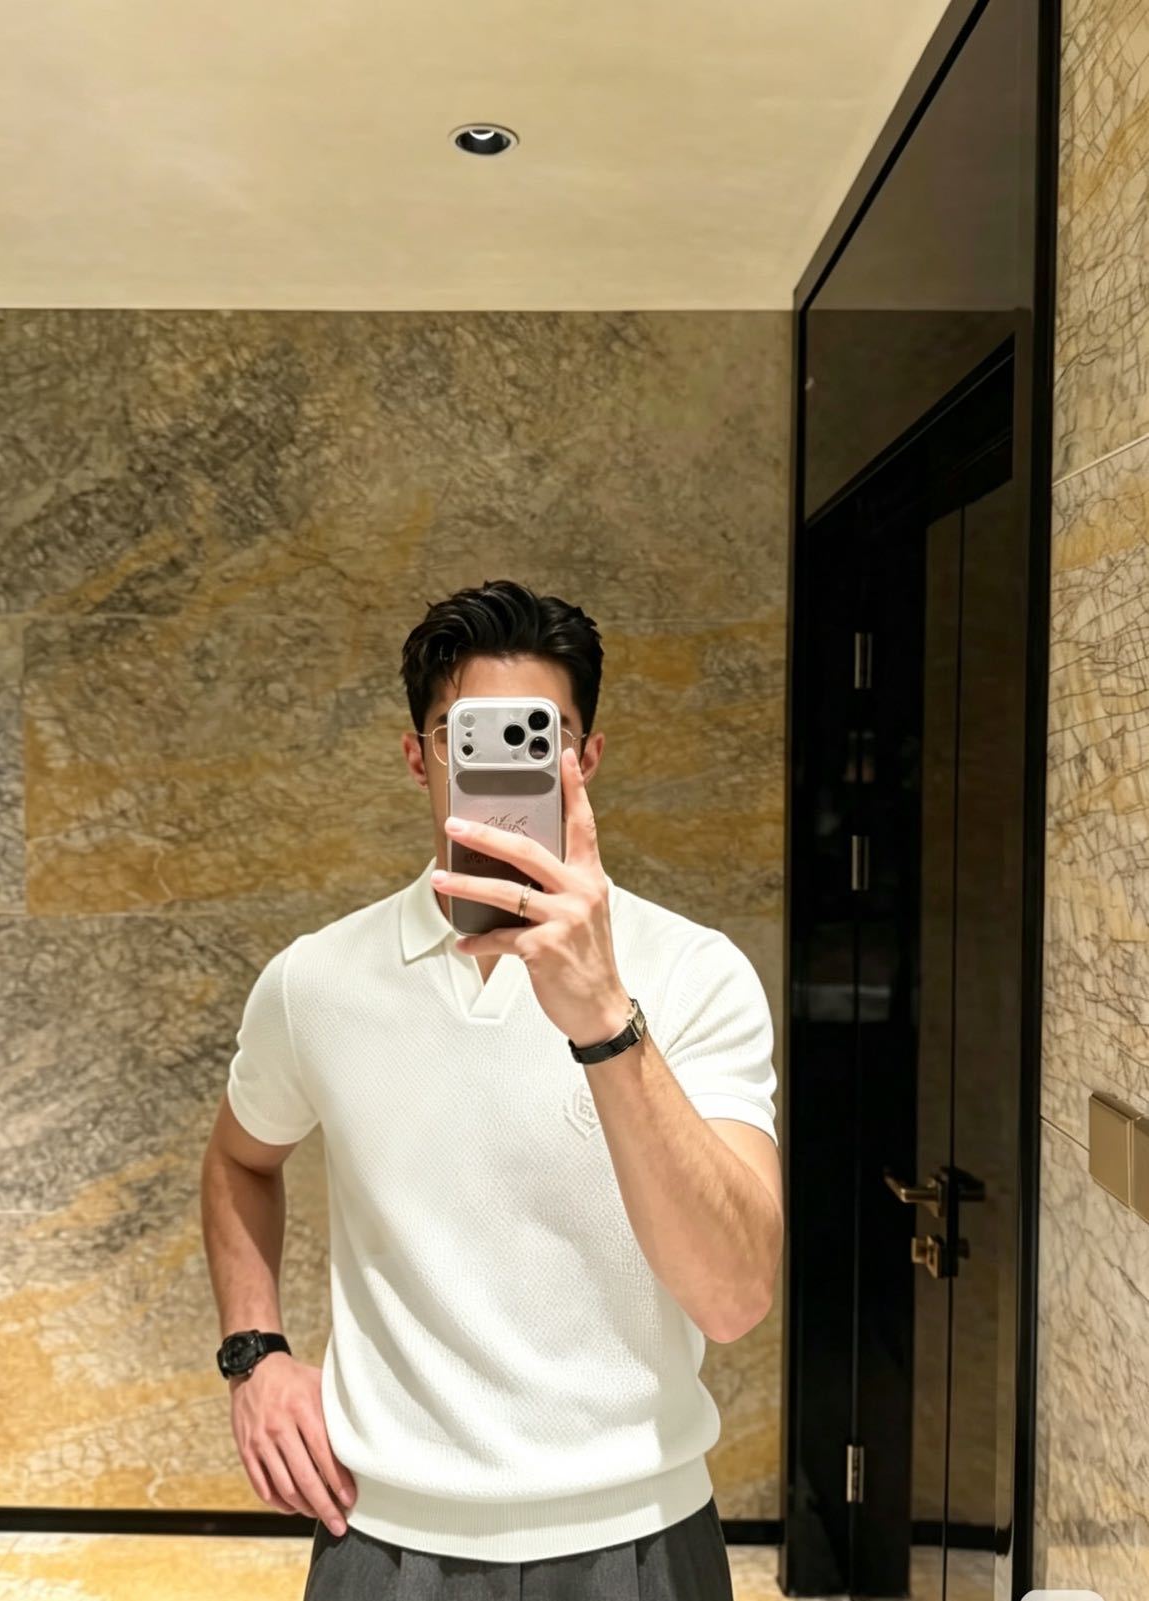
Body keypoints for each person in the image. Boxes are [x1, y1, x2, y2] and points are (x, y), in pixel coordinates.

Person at [201, 578, 784, 1599]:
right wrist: (256, 1352)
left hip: (639, 1537)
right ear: (417, 756)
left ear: (585, 759)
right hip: (382, 1539)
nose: (502, 767)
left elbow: (734, 1296)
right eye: (467, 736)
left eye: (538, 736)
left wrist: (604, 1018)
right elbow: (238, 1158)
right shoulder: (317, 980)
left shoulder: (695, 973)